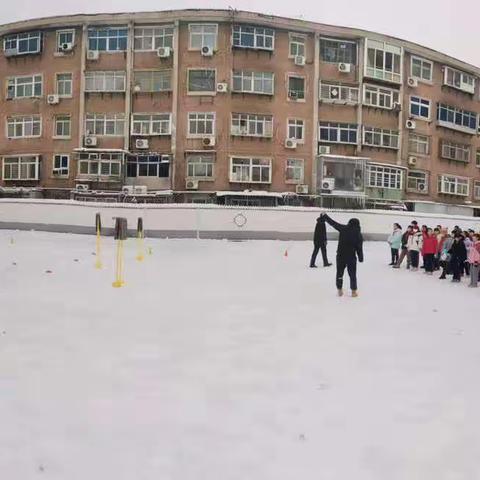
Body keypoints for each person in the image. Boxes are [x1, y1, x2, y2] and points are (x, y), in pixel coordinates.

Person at [321, 213, 363, 297]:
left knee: (339, 273)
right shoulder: (358, 234)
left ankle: (339, 290)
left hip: (340, 256)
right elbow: (359, 247)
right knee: (352, 274)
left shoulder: (343, 228)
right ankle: (354, 291)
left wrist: (325, 216)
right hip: (351, 257)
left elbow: (333, 223)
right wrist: (360, 257)